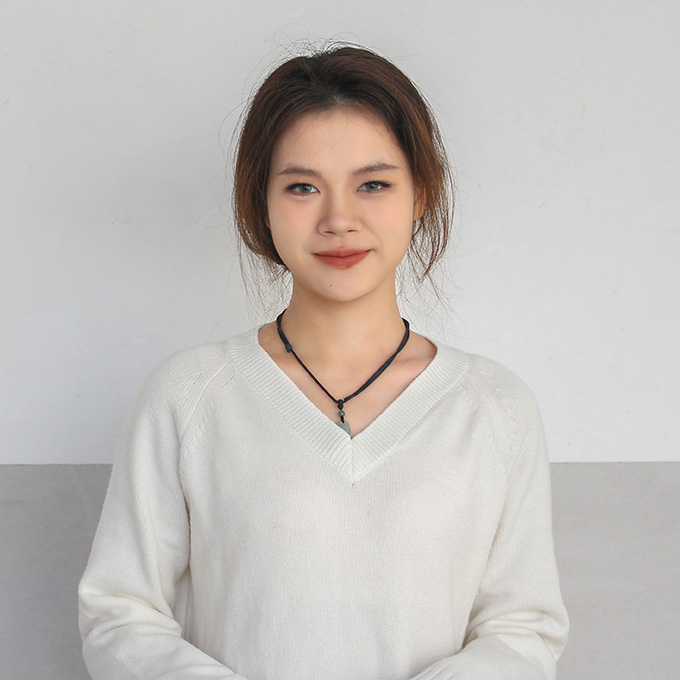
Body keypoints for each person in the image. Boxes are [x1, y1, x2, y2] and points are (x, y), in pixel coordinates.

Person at [78, 45, 569, 680]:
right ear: (262, 203)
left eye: (373, 184)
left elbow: (522, 627)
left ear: (422, 193)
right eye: (303, 187)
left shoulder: (495, 407)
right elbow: (120, 613)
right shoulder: (190, 395)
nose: (340, 219)